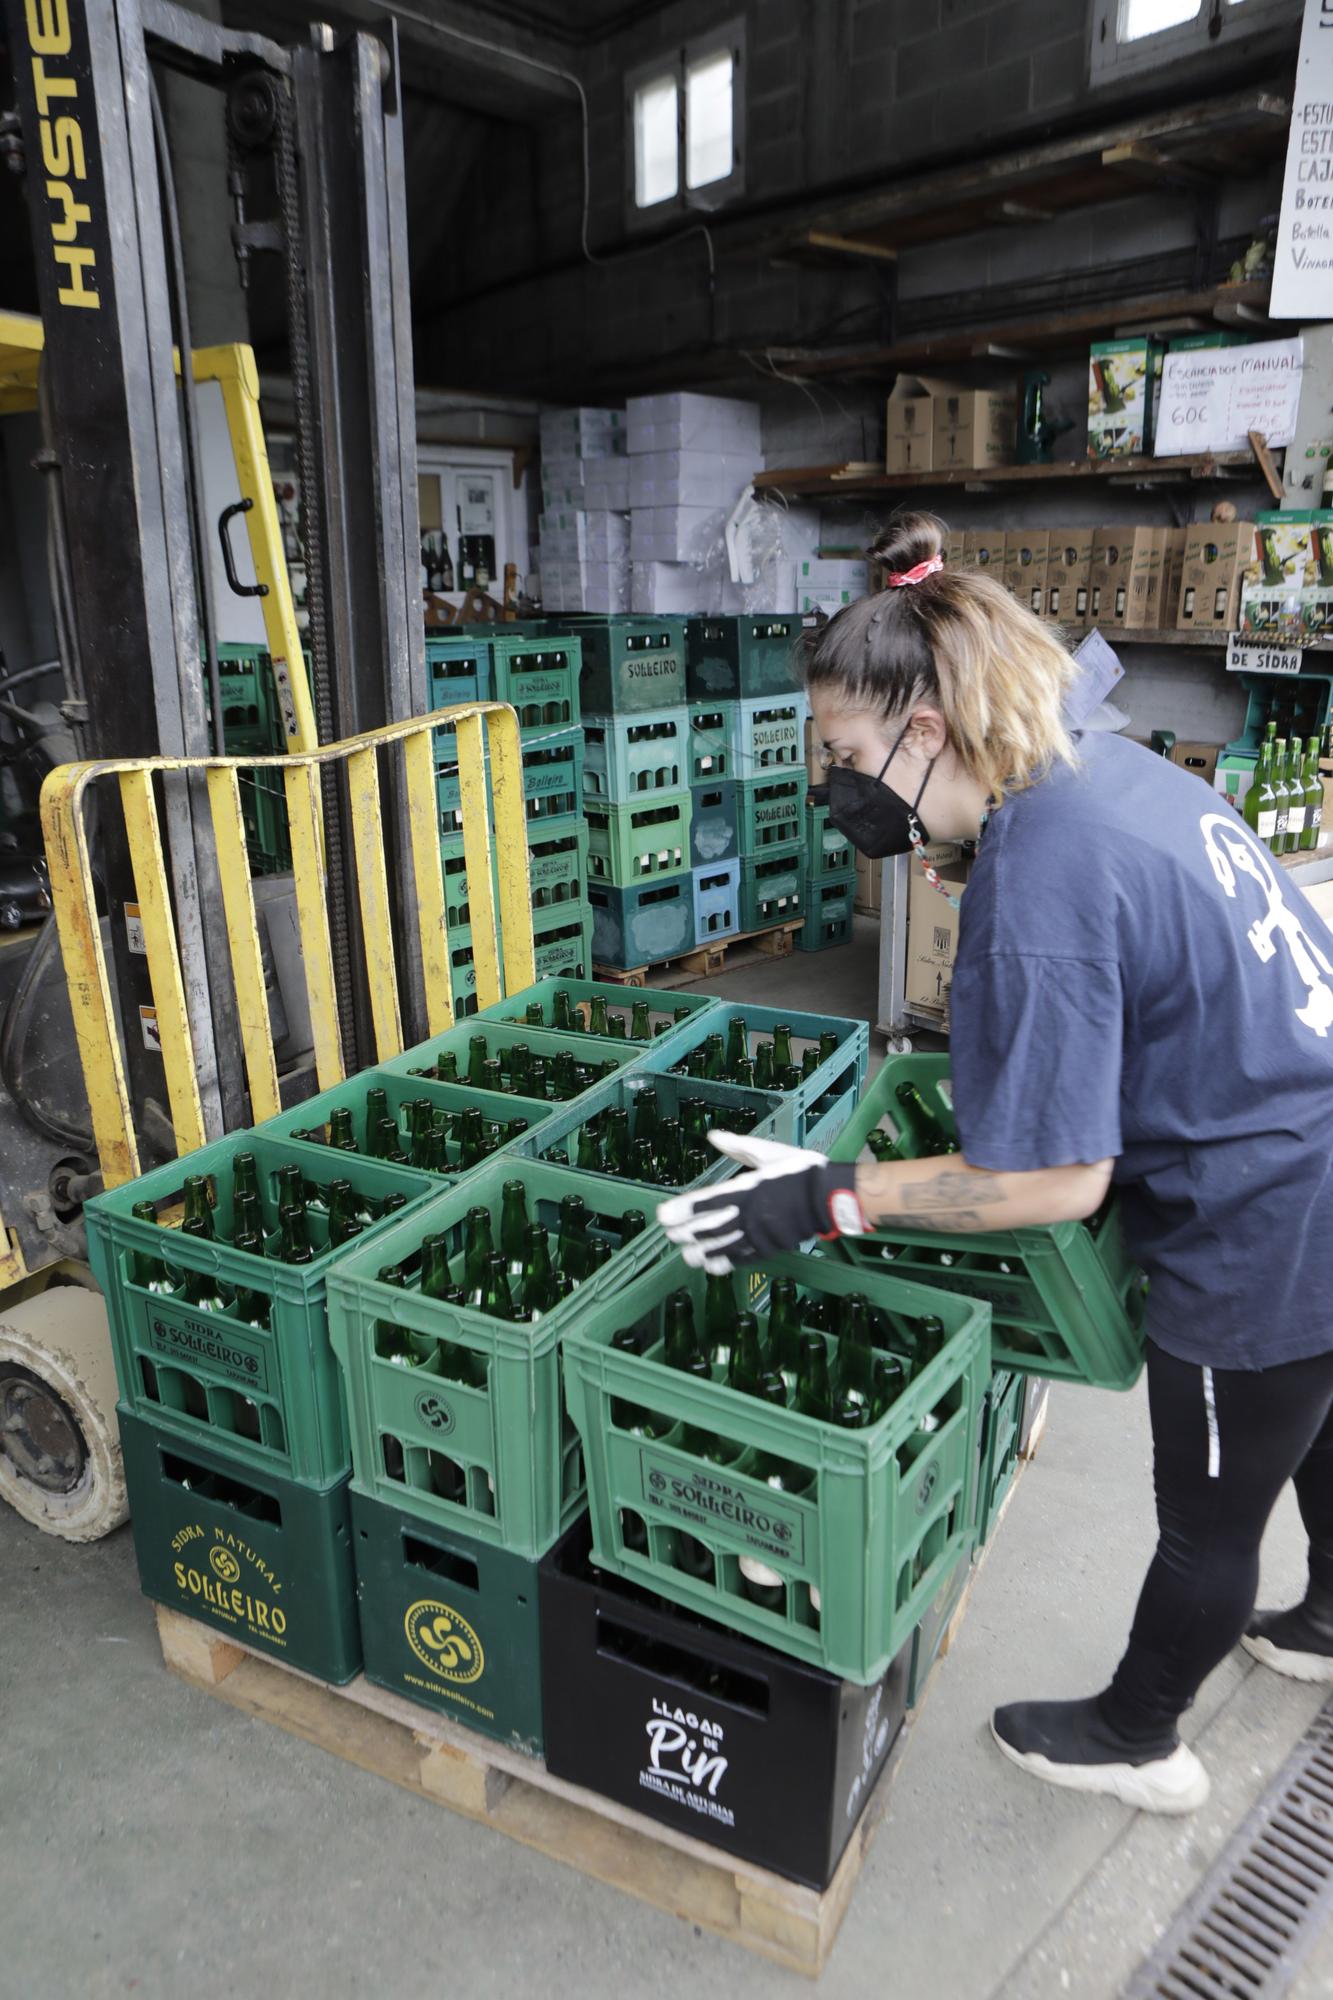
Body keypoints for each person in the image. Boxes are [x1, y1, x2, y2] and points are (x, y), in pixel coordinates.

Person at [658, 512, 1333, 1817]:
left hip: (1268, 1217)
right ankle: (1325, 1626)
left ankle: (1138, 1739)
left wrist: (822, 1195)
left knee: (1207, 1514)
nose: (832, 784)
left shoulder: (1044, 877)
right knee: (1310, 1418)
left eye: (842, 754)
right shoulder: (1104, 763)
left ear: (923, 733)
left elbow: (1049, 1183)